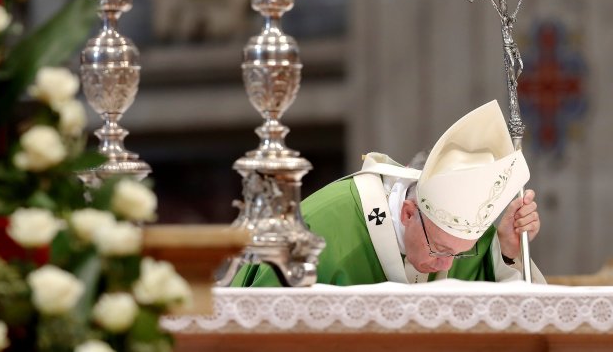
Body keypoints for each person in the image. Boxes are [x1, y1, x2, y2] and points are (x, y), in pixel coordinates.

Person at [232, 101, 545, 286]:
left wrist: (505, 249)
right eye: (440, 250)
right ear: (408, 213)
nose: (446, 267)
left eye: (460, 253)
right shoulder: (321, 225)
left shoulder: (454, 233)